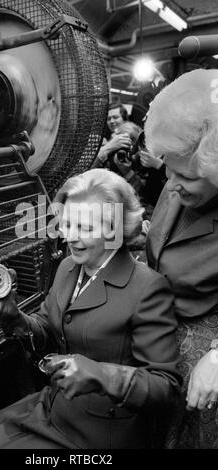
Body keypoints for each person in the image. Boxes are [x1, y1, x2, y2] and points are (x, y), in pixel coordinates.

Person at [0, 169, 181, 449]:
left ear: (116, 230)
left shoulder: (147, 288)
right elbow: (44, 328)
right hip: (54, 408)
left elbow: (166, 387)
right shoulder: (69, 267)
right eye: (66, 224)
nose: (69, 237)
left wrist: (103, 375)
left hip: (98, 433)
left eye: (86, 228)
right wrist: (14, 316)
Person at [144, 68, 218, 448]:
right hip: (158, 334)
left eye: (186, 176)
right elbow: (161, 244)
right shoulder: (178, 181)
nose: (171, 184)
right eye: (167, 168)